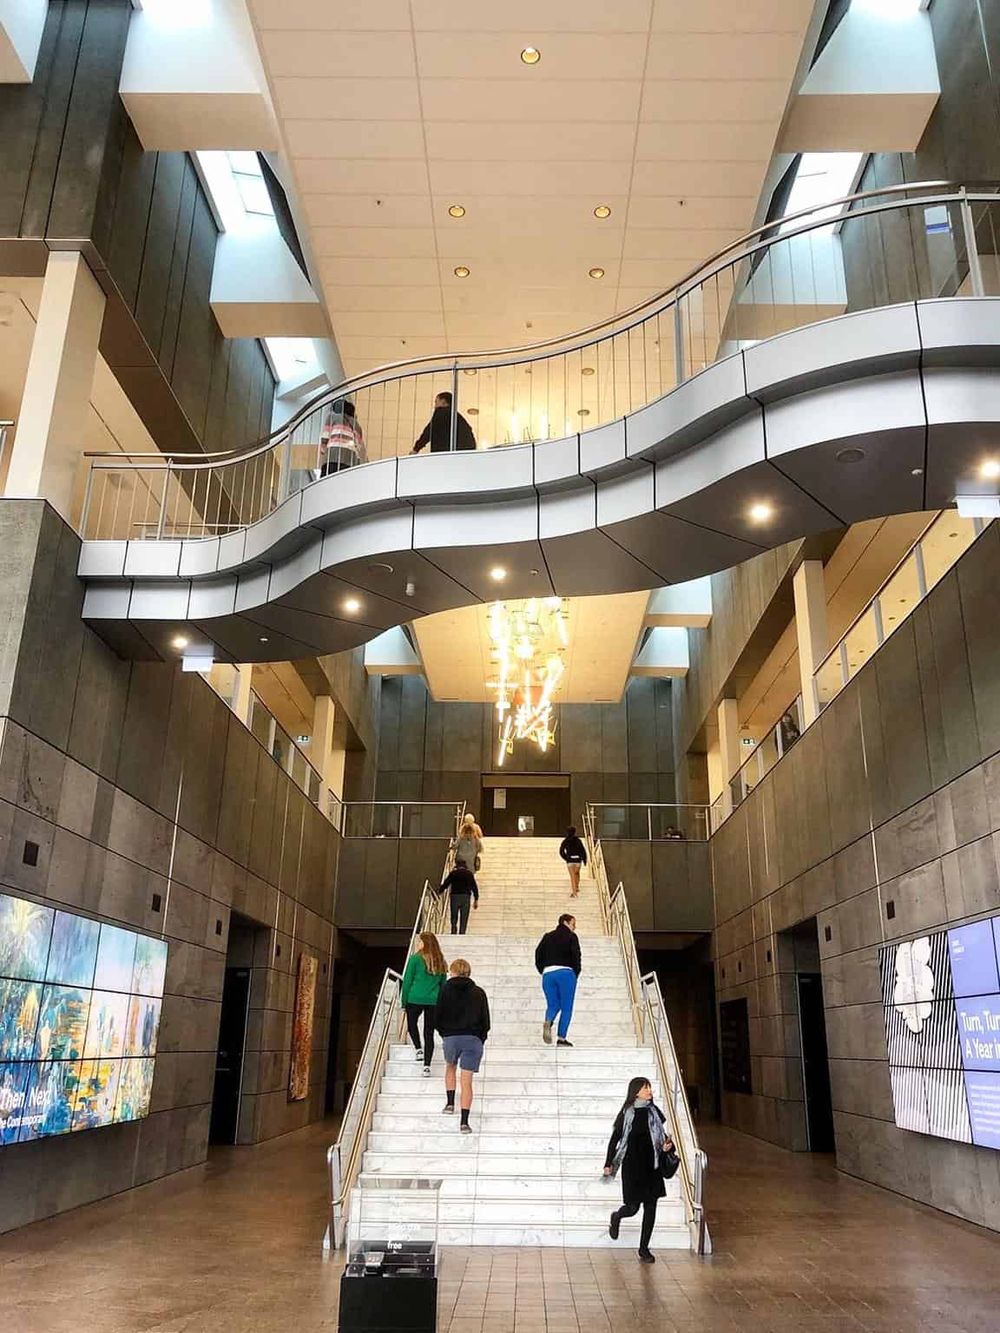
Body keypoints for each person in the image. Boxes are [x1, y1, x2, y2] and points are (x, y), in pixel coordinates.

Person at [603, 1076, 674, 1264]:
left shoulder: (654, 1112)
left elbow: (662, 1137)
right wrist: (608, 1162)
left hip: (653, 1167)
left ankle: (644, 1249)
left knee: (650, 1208)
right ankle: (617, 1216)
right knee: (632, 1208)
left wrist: (668, 1147)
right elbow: (615, 1139)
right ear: (635, 1092)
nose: (649, 1091)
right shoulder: (627, 1113)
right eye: (645, 1088)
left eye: (649, 1087)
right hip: (633, 1168)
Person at [435, 958, 490, 1133]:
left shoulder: (444, 990)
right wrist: (480, 1038)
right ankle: (464, 1122)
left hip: (451, 1037)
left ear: (453, 972)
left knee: (450, 1067)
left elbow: (437, 1015)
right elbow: (486, 1021)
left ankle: (450, 1104)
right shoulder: (479, 992)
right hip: (473, 1039)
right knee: (467, 1081)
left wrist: (444, 1033)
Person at [400, 932, 448, 1077]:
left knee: (411, 1024)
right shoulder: (441, 961)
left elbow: (407, 981)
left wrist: (404, 1001)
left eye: (419, 941)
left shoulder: (415, 959)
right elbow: (443, 985)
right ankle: (427, 1066)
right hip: (433, 1000)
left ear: (424, 943)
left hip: (414, 998)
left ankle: (418, 1049)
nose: (417, 944)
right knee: (429, 1033)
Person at [534, 913, 581, 1047]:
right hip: (566, 973)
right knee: (566, 1007)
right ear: (565, 922)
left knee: (553, 1005)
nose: (575, 927)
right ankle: (561, 1038)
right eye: (573, 924)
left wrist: (543, 970)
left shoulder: (547, 936)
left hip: (548, 974)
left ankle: (548, 1021)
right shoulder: (571, 936)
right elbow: (576, 955)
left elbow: (538, 954)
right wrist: (575, 973)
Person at [411, 391, 477, 453]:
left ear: (443, 402)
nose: (435, 406)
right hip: (463, 453)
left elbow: (429, 431)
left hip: (445, 453)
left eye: (436, 402)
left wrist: (416, 448)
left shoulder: (441, 412)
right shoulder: (457, 416)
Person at [318, 399, 363, 477]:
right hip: (351, 459)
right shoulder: (357, 426)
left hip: (333, 455)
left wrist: (323, 449)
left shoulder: (332, 417)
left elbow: (325, 436)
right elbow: (358, 446)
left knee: (328, 480)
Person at [440, 857, 479, 934]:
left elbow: (446, 883)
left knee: (454, 914)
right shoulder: (469, 874)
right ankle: (462, 932)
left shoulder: (453, 873)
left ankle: (454, 929)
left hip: (455, 896)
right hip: (465, 897)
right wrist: (476, 899)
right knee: (464, 916)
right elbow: (474, 887)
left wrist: (440, 891)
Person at [558, 825, 588, 897]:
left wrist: (566, 857)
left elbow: (561, 851)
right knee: (577, 873)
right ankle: (576, 887)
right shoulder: (578, 840)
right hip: (578, 860)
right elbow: (582, 850)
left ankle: (574, 893)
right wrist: (584, 859)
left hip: (570, 860)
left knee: (572, 876)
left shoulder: (565, 841)